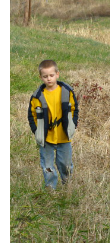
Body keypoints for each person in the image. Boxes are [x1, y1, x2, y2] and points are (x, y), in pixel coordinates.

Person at [28, 60, 79, 190]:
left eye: (51, 75)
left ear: (57, 74)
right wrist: (36, 131)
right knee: (48, 165)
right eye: (45, 76)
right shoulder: (37, 96)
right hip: (46, 139)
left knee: (65, 164)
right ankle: (50, 187)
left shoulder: (67, 92)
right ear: (41, 77)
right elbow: (32, 115)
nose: (48, 79)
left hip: (64, 137)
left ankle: (67, 185)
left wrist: (73, 125)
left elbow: (74, 109)